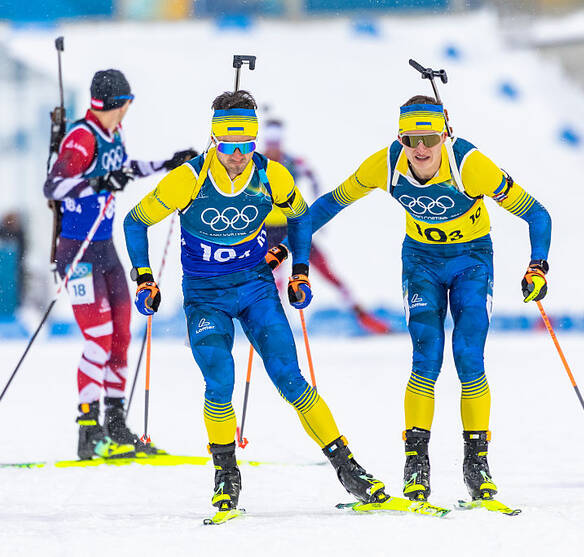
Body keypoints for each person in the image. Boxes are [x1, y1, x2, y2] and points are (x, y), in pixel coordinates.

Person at [122, 90, 388, 514]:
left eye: (245, 145)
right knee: (219, 380)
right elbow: (135, 221)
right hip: (207, 297)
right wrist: (144, 279)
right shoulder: (188, 179)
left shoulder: (272, 175)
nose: (237, 155)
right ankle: (226, 475)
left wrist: (298, 270)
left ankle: (349, 469)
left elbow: (300, 217)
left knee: (291, 380)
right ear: (213, 140)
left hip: (256, 288)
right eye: (227, 146)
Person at [289, 96, 552, 503]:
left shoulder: (471, 166)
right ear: (400, 138)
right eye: (411, 139)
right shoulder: (386, 164)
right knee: (425, 356)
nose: (421, 148)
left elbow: (537, 213)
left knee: (468, 355)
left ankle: (476, 465)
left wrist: (537, 266)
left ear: (444, 134)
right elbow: (327, 205)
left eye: (429, 137)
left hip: (470, 262)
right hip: (421, 262)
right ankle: (416, 465)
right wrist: (289, 244)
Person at [43, 69, 196, 460]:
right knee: (98, 339)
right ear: (119, 103)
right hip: (76, 253)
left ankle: (115, 426)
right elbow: (54, 186)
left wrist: (170, 163)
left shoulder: (113, 134)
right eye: (127, 103)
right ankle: (88, 432)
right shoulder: (81, 137)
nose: (129, 109)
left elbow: (124, 171)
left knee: (121, 337)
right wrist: (97, 184)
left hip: (105, 249)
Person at [261, 119, 390, 334]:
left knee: (325, 271)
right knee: (274, 278)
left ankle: (363, 317)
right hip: (266, 230)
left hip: (292, 225)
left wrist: (314, 216)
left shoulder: (293, 161)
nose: (274, 144)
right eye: (271, 139)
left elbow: (313, 179)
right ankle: (273, 327)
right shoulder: (259, 162)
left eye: (277, 139)